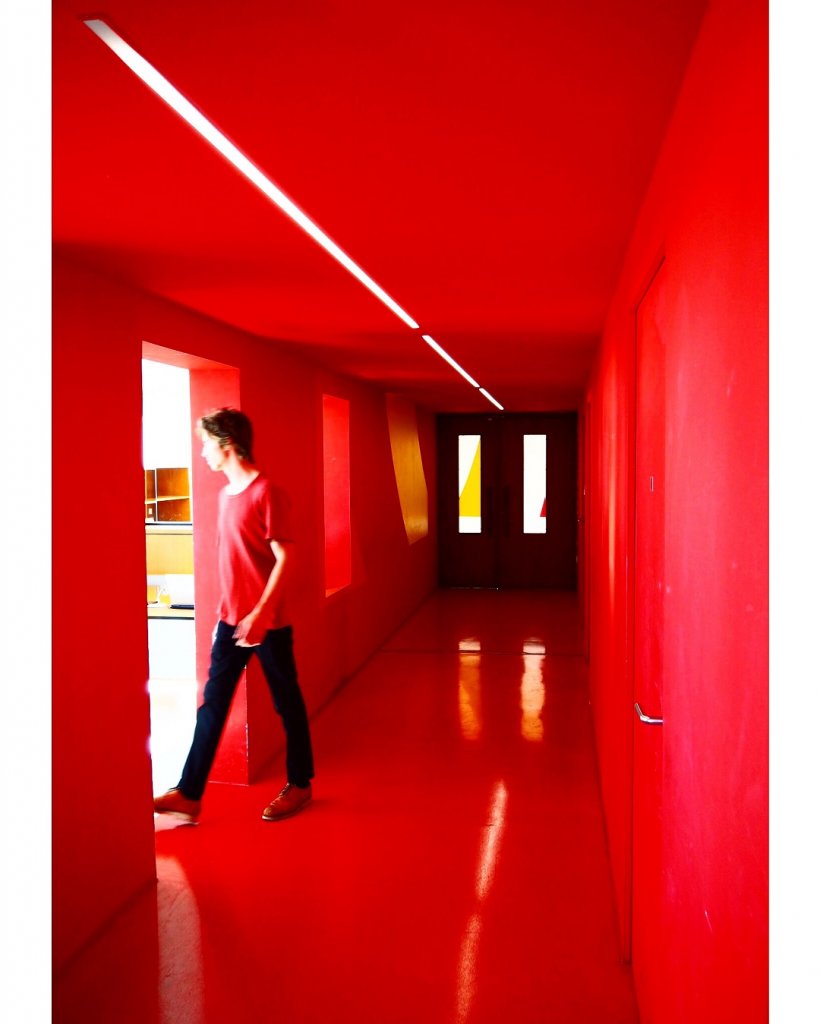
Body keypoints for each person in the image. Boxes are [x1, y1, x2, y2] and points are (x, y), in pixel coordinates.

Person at [154, 408, 314, 824]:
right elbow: (234, 563)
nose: (203, 452)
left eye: (207, 443)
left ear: (227, 444)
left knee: (287, 705)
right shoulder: (225, 497)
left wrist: (260, 614)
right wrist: (224, 615)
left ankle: (299, 784)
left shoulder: (267, 492)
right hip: (230, 622)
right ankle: (190, 794)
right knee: (211, 707)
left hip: (268, 623)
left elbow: (286, 557)